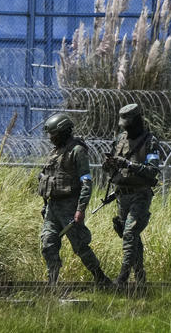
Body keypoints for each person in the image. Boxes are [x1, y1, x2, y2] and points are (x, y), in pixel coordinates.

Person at [38, 113, 113, 287]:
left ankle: (100, 278)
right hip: (53, 207)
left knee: (80, 246)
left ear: (63, 132)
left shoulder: (77, 151)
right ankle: (52, 282)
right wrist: (45, 205)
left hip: (70, 206)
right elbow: (48, 178)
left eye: (54, 135)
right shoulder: (54, 152)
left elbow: (86, 182)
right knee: (48, 243)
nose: (51, 139)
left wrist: (81, 209)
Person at [102, 103, 160, 286]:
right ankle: (140, 275)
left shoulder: (149, 141)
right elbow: (110, 167)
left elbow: (152, 171)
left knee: (129, 233)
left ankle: (123, 277)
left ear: (137, 121)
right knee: (130, 235)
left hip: (140, 195)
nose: (125, 129)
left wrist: (128, 165)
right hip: (122, 195)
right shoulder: (120, 139)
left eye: (128, 124)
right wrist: (110, 164)